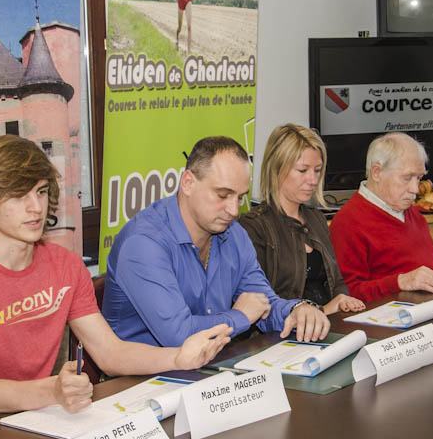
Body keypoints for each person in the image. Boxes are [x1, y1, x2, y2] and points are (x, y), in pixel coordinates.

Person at [0, 135, 230, 426]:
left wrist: (179, 357)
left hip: (45, 418)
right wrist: (53, 391)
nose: (36, 207)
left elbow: (110, 353)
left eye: (41, 192)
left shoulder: (65, 265)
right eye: (19, 195)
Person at [102, 136, 330, 347]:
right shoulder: (144, 244)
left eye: (240, 198)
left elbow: (262, 303)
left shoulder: (233, 233)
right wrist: (240, 317)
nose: (233, 210)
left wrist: (296, 310)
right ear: (188, 183)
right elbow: (178, 336)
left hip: (209, 369)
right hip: (141, 381)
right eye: (222, 195)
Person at [330, 133, 433, 301]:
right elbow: (347, 295)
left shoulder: (410, 210)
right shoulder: (348, 223)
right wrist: (401, 282)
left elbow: (422, 270)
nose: (415, 189)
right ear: (377, 172)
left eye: (419, 178)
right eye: (407, 178)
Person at [239, 124, 365, 315]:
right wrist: (322, 311)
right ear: (277, 169)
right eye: (303, 170)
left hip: (327, 324)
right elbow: (259, 304)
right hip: (285, 335)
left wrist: (344, 300)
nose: (313, 180)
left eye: (317, 170)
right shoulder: (254, 227)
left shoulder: (316, 219)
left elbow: (337, 282)